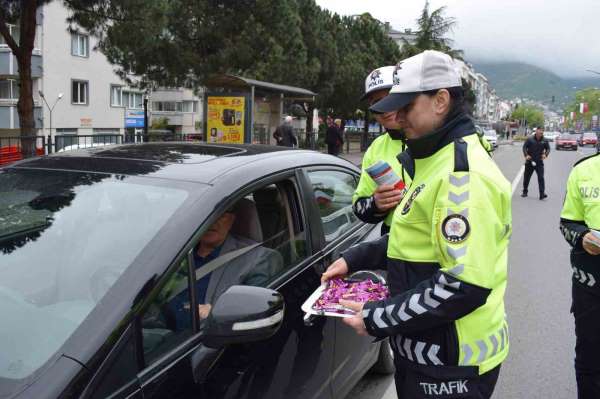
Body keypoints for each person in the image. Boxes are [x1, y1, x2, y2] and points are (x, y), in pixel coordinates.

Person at [322, 50, 511, 399]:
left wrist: (377, 316)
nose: (395, 116)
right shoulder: (431, 160)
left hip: (453, 365)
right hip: (424, 352)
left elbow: (463, 285)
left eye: (405, 107)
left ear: (441, 101)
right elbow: (415, 236)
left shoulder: (461, 175)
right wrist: (357, 257)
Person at [165, 199, 283, 325]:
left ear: (231, 220)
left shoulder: (257, 258)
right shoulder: (173, 253)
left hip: (203, 337)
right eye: (206, 216)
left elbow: (253, 313)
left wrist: (214, 312)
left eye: (220, 215)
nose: (212, 222)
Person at [559, 151, 600, 399]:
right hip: (590, 287)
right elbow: (567, 223)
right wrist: (583, 238)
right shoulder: (583, 170)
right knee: (589, 361)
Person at [352, 65, 409, 235]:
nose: (385, 108)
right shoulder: (376, 147)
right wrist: (376, 203)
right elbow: (358, 204)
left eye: (390, 97)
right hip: (391, 241)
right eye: (377, 103)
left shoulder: (435, 137)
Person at [522, 126, 550, 199]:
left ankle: (542, 194)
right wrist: (526, 155)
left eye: (542, 131)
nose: (541, 132)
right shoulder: (530, 139)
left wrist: (545, 154)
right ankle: (525, 191)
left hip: (539, 162)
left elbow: (548, 148)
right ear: (536, 131)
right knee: (526, 178)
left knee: (541, 178)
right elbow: (524, 147)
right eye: (540, 131)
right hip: (530, 161)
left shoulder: (545, 140)